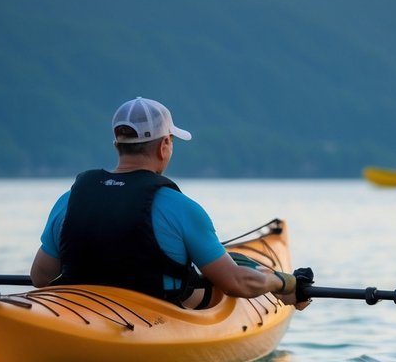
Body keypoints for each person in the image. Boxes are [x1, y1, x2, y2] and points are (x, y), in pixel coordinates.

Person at [30, 96, 311, 310]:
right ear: (164, 145)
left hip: (83, 307)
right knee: (221, 281)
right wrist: (281, 282)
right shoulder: (180, 207)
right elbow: (235, 283)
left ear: (117, 144)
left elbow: (41, 277)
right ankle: (260, 273)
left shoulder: (70, 199)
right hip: (157, 311)